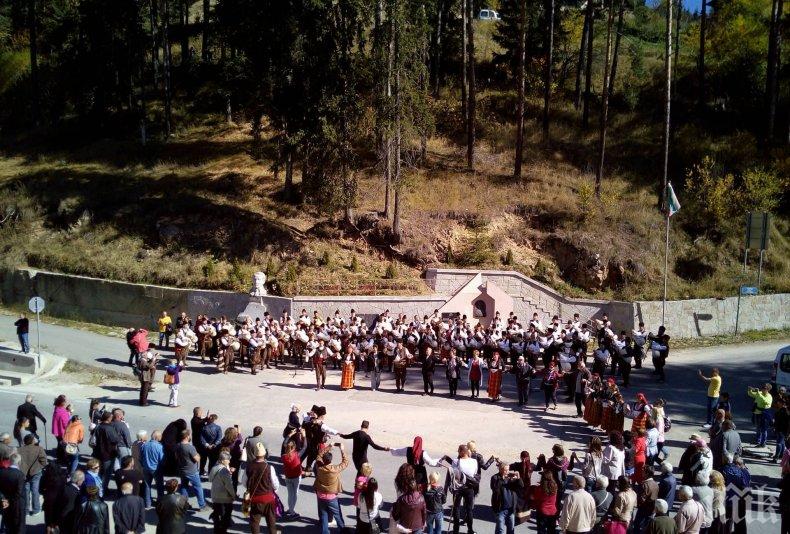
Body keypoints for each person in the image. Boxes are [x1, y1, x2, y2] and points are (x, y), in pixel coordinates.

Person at [314, 442, 348, 534]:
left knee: (324, 515)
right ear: (331, 460)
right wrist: (342, 449)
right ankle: (343, 531)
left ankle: (325, 532)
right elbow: (345, 462)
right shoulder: (335, 469)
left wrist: (329, 446)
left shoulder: (319, 467)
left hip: (321, 495)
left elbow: (319, 455)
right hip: (332, 497)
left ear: (323, 460)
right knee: (337, 515)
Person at [174, 430, 205, 510]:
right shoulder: (190, 448)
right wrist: (198, 455)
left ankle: (184, 504)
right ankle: (202, 505)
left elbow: (176, 457)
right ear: (187, 436)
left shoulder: (178, 445)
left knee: (184, 486)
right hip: (191, 471)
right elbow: (197, 459)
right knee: (198, 487)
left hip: (182, 470)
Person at [491, 461, 524, 534]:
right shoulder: (495, 478)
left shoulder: (511, 478)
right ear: (500, 469)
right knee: (500, 530)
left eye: (508, 470)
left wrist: (518, 478)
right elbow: (495, 488)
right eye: (505, 470)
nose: (507, 472)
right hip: (500, 509)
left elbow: (521, 487)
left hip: (511, 509)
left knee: (511, 529)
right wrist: (502, 478)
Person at [92, 412, 120, 496]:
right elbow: (115, 439)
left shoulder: (98, 426)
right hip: (108, 455)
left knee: (98, 473)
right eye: (111, 417)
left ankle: (98, 489)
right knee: (106, 475)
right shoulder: (109, 428)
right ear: (108, 419)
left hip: (98, 453)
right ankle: (102, 492)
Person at [19, 433, 47, 515]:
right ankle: (36, 509)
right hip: (36, 472)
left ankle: (26, 510)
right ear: (32, 441)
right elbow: (44, 461)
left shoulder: (19, 450)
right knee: (35, 490)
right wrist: (40, 467)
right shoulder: (39, 449)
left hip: (24, 473)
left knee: (26, 490)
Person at [209, 450, 235, 533]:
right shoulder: (224, 471)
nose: (229, 461)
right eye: (228, 460)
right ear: (223, 460)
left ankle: (216, 530)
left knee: (217, 513)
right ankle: (223, 531)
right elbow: (229, 486)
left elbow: (210, 479)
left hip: (215, 495)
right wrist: (233, 495)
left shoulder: (214, 468)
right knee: (226, 515)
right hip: (224, 497)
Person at [0, 453, 27, 533]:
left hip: (5, 504)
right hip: (18, 505)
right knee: (19, 527)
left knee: (9, 525)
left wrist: (4, 499)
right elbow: (19, 492)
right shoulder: (20, 475)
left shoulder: (2, 472)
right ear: (19, 463)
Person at [39, 460, 67, 534]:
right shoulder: (62, 477)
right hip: (59, 501)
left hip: (48, 501)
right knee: (57, 521)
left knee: (48, 521)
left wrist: (45, 493)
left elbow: (40, 490)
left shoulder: (45, 477)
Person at [280, 438, 304, 520]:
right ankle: (292, 511)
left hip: (288, 477)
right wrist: (304, 436)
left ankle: (290, 509)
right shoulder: (297, 455)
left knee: (290, 494)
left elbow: (284, 444)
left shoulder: (283, 457)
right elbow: (305, 447)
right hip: (296, 477)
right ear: (294, 447)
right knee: (295, 494)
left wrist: (289, 435)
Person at [140, 430, 165, 507]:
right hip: (156, 469)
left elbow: (141, 456)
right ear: (157, 437)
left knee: (147, 486)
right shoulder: (160, 447)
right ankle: (160, 503)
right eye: (160, 436)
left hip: (146, 468)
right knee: (159, 486)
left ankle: (148, 503)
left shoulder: (144, 445)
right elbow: (161, 459)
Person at [532, 470, 558, 534]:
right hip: (552, 511)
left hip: (542, 511)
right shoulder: (555, 486)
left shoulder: (540, 488)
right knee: (551, 530)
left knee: (541, 530)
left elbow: (534, 497)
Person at [635, 465, 659, 533]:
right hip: (652, 508)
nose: (642, 472)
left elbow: (642, 499)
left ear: (647, 473)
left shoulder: (644, 485)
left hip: (643, 508)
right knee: (646, 526)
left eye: (643, 471)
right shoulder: (656, 484)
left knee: (637, 525)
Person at [747, 383, 773, 447]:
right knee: (758, 428)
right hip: (757, 413)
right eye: (762, 388)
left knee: (764, 429)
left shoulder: (769, 396)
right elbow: (751, 394)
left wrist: (758, 393)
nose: (763, 389)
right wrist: (749, 390)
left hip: (764, 414)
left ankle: (763, 443)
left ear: (768, 390)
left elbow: (765, 401)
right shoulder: (760, 393)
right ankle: (758, 440)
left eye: (765, 388)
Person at [59, 469, 84, 533]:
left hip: (62, 515)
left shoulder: (65, 487)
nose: (83, 482)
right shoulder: (77, 493)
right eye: (82, 480)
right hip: (70, 518)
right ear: (78, 481)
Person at [773, 397, 789, 462]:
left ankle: (776, 457)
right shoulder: (782, 409)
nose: (777, 403)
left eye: (779, 402)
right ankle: (781, 455)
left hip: (781, 429)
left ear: (782, 403)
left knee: (779, 443)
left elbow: (785, 422)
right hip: (781, 429)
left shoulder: (784, 410)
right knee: (782, 443)